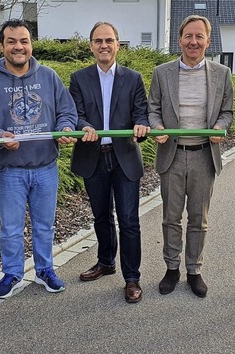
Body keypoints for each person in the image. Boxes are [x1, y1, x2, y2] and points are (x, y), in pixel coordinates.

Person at [0, 19, 78, 300]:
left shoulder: (49, 77)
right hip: (9, 170)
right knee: (10, 228)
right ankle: (12, 273)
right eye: (11, 41)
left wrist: (66, 128)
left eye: (24, 41)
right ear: (2, 46)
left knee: (45, 225)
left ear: (31, 44)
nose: (18, 47)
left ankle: (45, 269)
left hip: (45, 167)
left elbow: (66, 112)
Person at [148, 15, 233, 298]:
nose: (193, 42)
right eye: (188, 36)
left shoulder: (222, 73)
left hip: (203, 157)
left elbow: (227, 112)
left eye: (199, 36)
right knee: (171, 218)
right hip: (172, 155)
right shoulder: (162, 73)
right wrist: (157, 126)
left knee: (199, 219)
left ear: (208, 41)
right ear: (179, 39)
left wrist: (220, 127)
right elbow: (154, 108)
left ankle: (194, 270)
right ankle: (172, 268)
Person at [69, 22, 150, 303]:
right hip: (93, 156)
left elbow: (142, 113)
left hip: (124, 157)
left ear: (118, 45)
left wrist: (141, 124)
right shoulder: (79, 78)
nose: (104, 45)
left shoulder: (134, 78)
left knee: (129, 220)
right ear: (91, 46)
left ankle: (132, 277)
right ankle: (106, 262)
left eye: (109, 40)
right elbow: (74, 114)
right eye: (98, 40)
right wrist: (83, 125)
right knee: (101, 216)